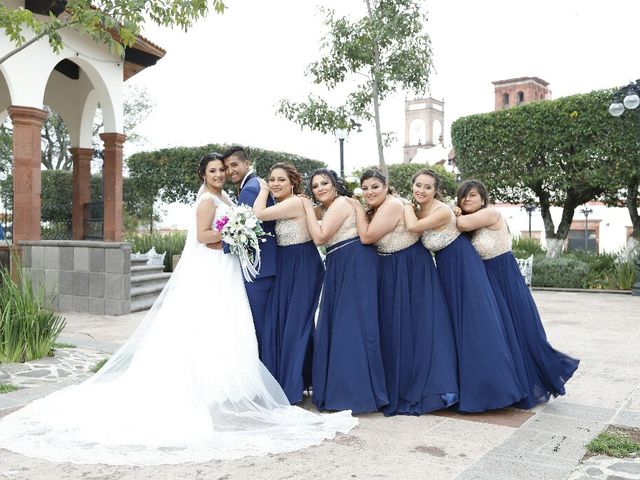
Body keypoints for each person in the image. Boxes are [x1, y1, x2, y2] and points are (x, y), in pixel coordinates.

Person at [0, 153, 357, 465]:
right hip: (214, 266)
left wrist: (237, 229)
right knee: (210, 323)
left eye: (223, 170)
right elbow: (204, 236)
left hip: (230, 268)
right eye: (214, 170)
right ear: (204, 175)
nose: (219, 174)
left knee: (228, 325)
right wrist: (233, 233)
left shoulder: (227, 198)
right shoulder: (207, 200)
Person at [404, 170, 527, 412]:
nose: (421, 190)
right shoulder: (431, 209)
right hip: (446, 269)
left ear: (435, 190)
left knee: (476, 325)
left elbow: (413, 227)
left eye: (427, 187)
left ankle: (493, 390)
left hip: (462, 265)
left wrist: (406, 205)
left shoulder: (439, 211)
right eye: (418, 185)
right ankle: (462, 386)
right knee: (457, 327)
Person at [456, 179, 579, 409]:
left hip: (504, 277)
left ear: (483, 199)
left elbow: (459, 223)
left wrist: (443, 212)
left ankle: (540, 379)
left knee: (521, 331)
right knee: (502, 335)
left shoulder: (490, 214)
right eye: (463, 196)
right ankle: (510, 385)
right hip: (486, 282)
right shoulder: (472, 225)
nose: (466, 199)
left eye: (472, 195)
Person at [349, 169, 459, 416]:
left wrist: (356, 209)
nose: (369, 193)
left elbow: (366, 237)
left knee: (416, 330)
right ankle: (394, 385)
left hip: (409, 268)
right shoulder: (383, 207)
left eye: (375, 187)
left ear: (386, 187)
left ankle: (423, 387)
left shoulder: (392, 205)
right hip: (389, 270)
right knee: (396, 331)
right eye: (365, 188)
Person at [301, 169, 388, 414]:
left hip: (353, 260)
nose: (319, 188)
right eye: (315, 185)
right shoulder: (331, 208)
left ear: (335, 184)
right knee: (344, 325)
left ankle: (353, 393)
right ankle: (345, 389)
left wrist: (306, 206)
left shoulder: (339, 204)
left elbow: (319, 237)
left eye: (324, 183)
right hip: (341, 261)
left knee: (351, 326)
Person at [253, 162, 324, 404]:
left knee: (295, 323)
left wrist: (262, 190)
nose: (274, 183)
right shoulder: (286, 204)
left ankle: (291, 385)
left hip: (302, 263)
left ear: (292, 183)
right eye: (271, 179)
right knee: (283, 320)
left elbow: (259, 214)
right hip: (287, 264)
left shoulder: (295, 202)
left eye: (280, 179)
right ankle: (304, 378)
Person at [222, 146, 277, 357]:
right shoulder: (252, 185)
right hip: (263, 266)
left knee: (260, 327)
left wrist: (223, 248)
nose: (230, 171)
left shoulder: (250, 189)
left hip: (259, 268)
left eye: (234, 165)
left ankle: (265, 377)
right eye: (227, 167)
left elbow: (242, 231)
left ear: (247, 163)